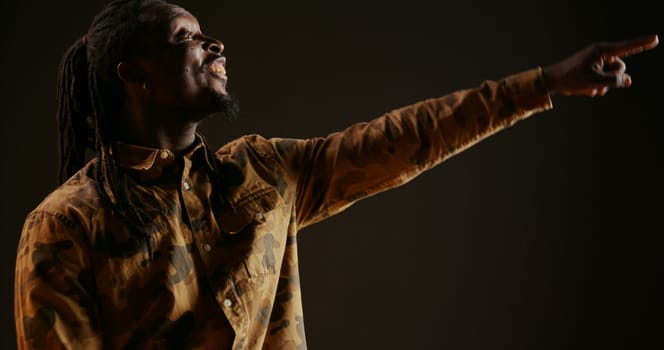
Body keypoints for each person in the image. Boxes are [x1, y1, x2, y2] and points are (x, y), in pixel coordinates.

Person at [13, 0, 658, 349]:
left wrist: (543, 85)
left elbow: (406, 139)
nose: (215, 46)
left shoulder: (262, 172)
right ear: (134, 73)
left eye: (209, 34)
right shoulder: (68, 223)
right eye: (188, 37)